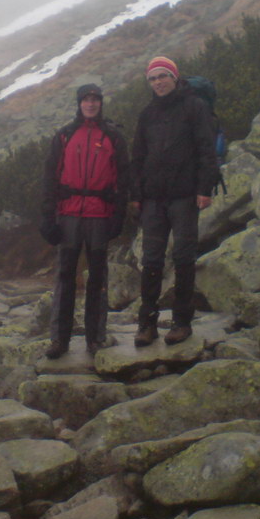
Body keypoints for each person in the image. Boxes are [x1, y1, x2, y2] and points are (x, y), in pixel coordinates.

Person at [130, 57, 219, 346]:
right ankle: (147, 324)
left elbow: (207, 149)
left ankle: (182, 323)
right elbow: (138, 157)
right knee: (151, 261)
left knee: (183, 259)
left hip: (184, 196)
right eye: (152, 78)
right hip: (154, 199)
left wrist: (204, 188)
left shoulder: (195, 107)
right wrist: (136, 195)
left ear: (174, 77)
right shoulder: (147, 114)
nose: (158, 82)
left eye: (162, 76)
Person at [40, 83, 129, 359]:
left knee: (97, 279)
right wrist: (47, 217)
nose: (90, 104)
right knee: (65, 277)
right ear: (79, 104)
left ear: (101, 103)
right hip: (68, 216)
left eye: (95, 100)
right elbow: (50, 179)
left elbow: (124, 179)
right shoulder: (65, 135)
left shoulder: (113, 136)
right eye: (86, 100)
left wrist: (119, 216)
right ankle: (59, 340)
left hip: (99, 216)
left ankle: (95, 338)